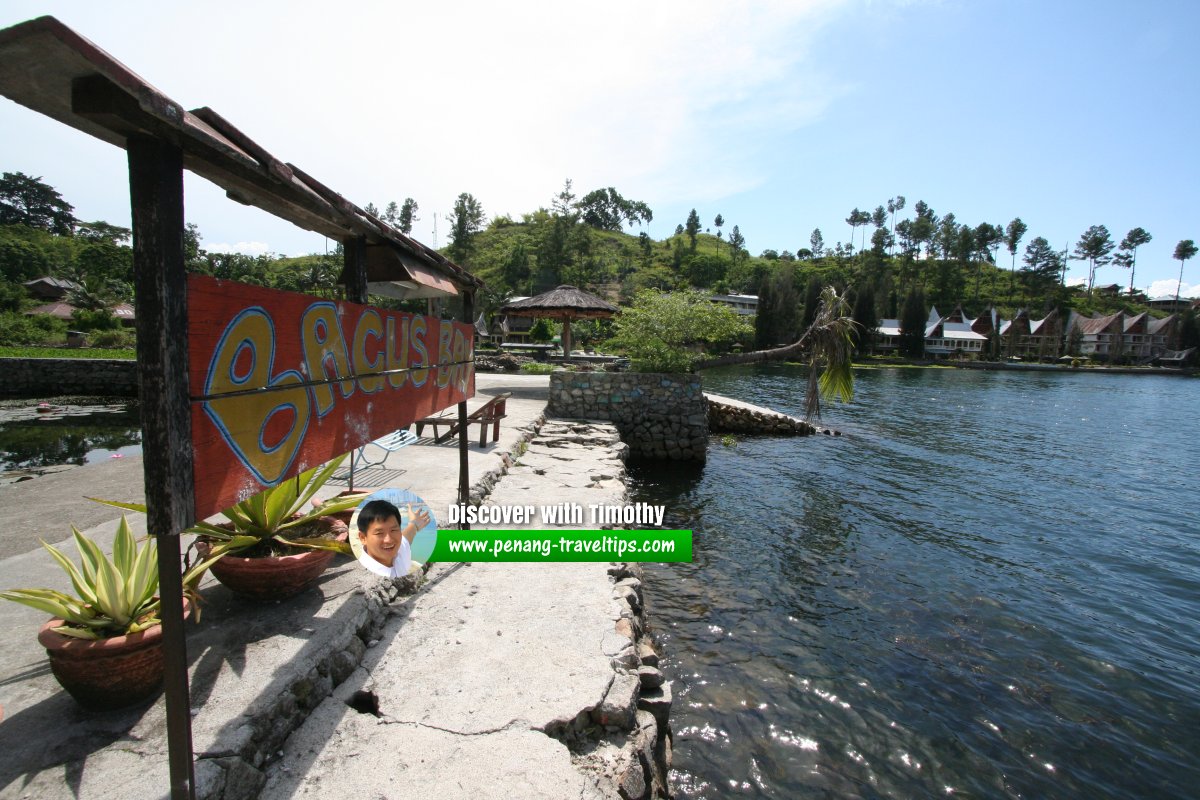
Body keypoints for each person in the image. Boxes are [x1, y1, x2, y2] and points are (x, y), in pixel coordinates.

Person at [356, 499, 431, 579]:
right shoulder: (368, 575)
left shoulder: (398, 552)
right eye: (379, 533)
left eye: (393, 530)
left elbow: (406, 538)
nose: (389, 540)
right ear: (363, 538)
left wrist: (414, 524)